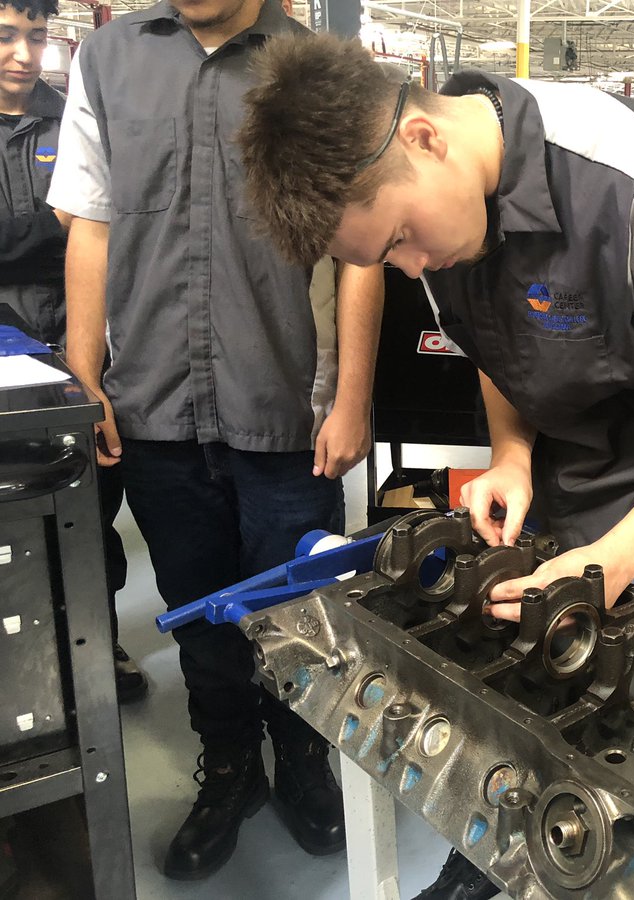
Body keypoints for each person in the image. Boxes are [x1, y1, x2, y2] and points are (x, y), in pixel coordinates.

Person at [236, 33, 634, 898]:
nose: (412, 266)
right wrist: (513, 454)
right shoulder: (437, 208)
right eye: (387, 258)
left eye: (404, 238)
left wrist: (614, 559)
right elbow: (492, 348)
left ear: (423, 139)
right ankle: (495, 856)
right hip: (550, 501)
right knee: (525, 703)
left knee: (622, 744)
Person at [47, 0, 384, 880]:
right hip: (154, 402)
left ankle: (303, 763)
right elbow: (91, 219)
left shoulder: (315, 64)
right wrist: (85, 374)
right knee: (198, 612)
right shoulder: (108, 59)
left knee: (299, 615)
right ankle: (231, 769)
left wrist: (352, 397)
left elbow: (361, 248)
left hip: (285, 410)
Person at [0, 0, 147, 703]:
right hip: (7, 362)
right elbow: (81, 223)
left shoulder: (73, 119)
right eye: (5, 37)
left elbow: (111, 229)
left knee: (89, 510)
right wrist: (63, 224)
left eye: (33, 37)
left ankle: (98, 641)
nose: (23, 56)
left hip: (84, 350)